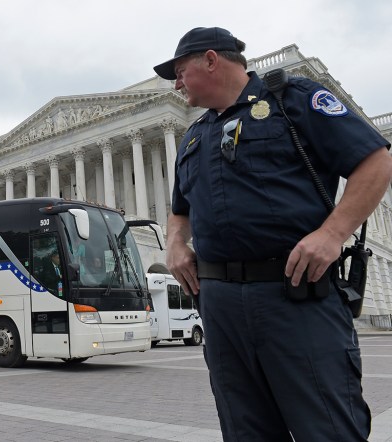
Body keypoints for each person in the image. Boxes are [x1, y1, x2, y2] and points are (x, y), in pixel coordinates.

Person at [154, 27, 392, 440]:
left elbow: (375, 161)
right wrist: (175, 243)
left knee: (328, 427)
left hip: (294, 293)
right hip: (221, 304)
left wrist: (333, 233)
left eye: (179, 71)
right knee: (245, 429)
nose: (175, 83)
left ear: (211, 60)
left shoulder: (292, 100)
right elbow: (180, 211)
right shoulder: (194, 136)